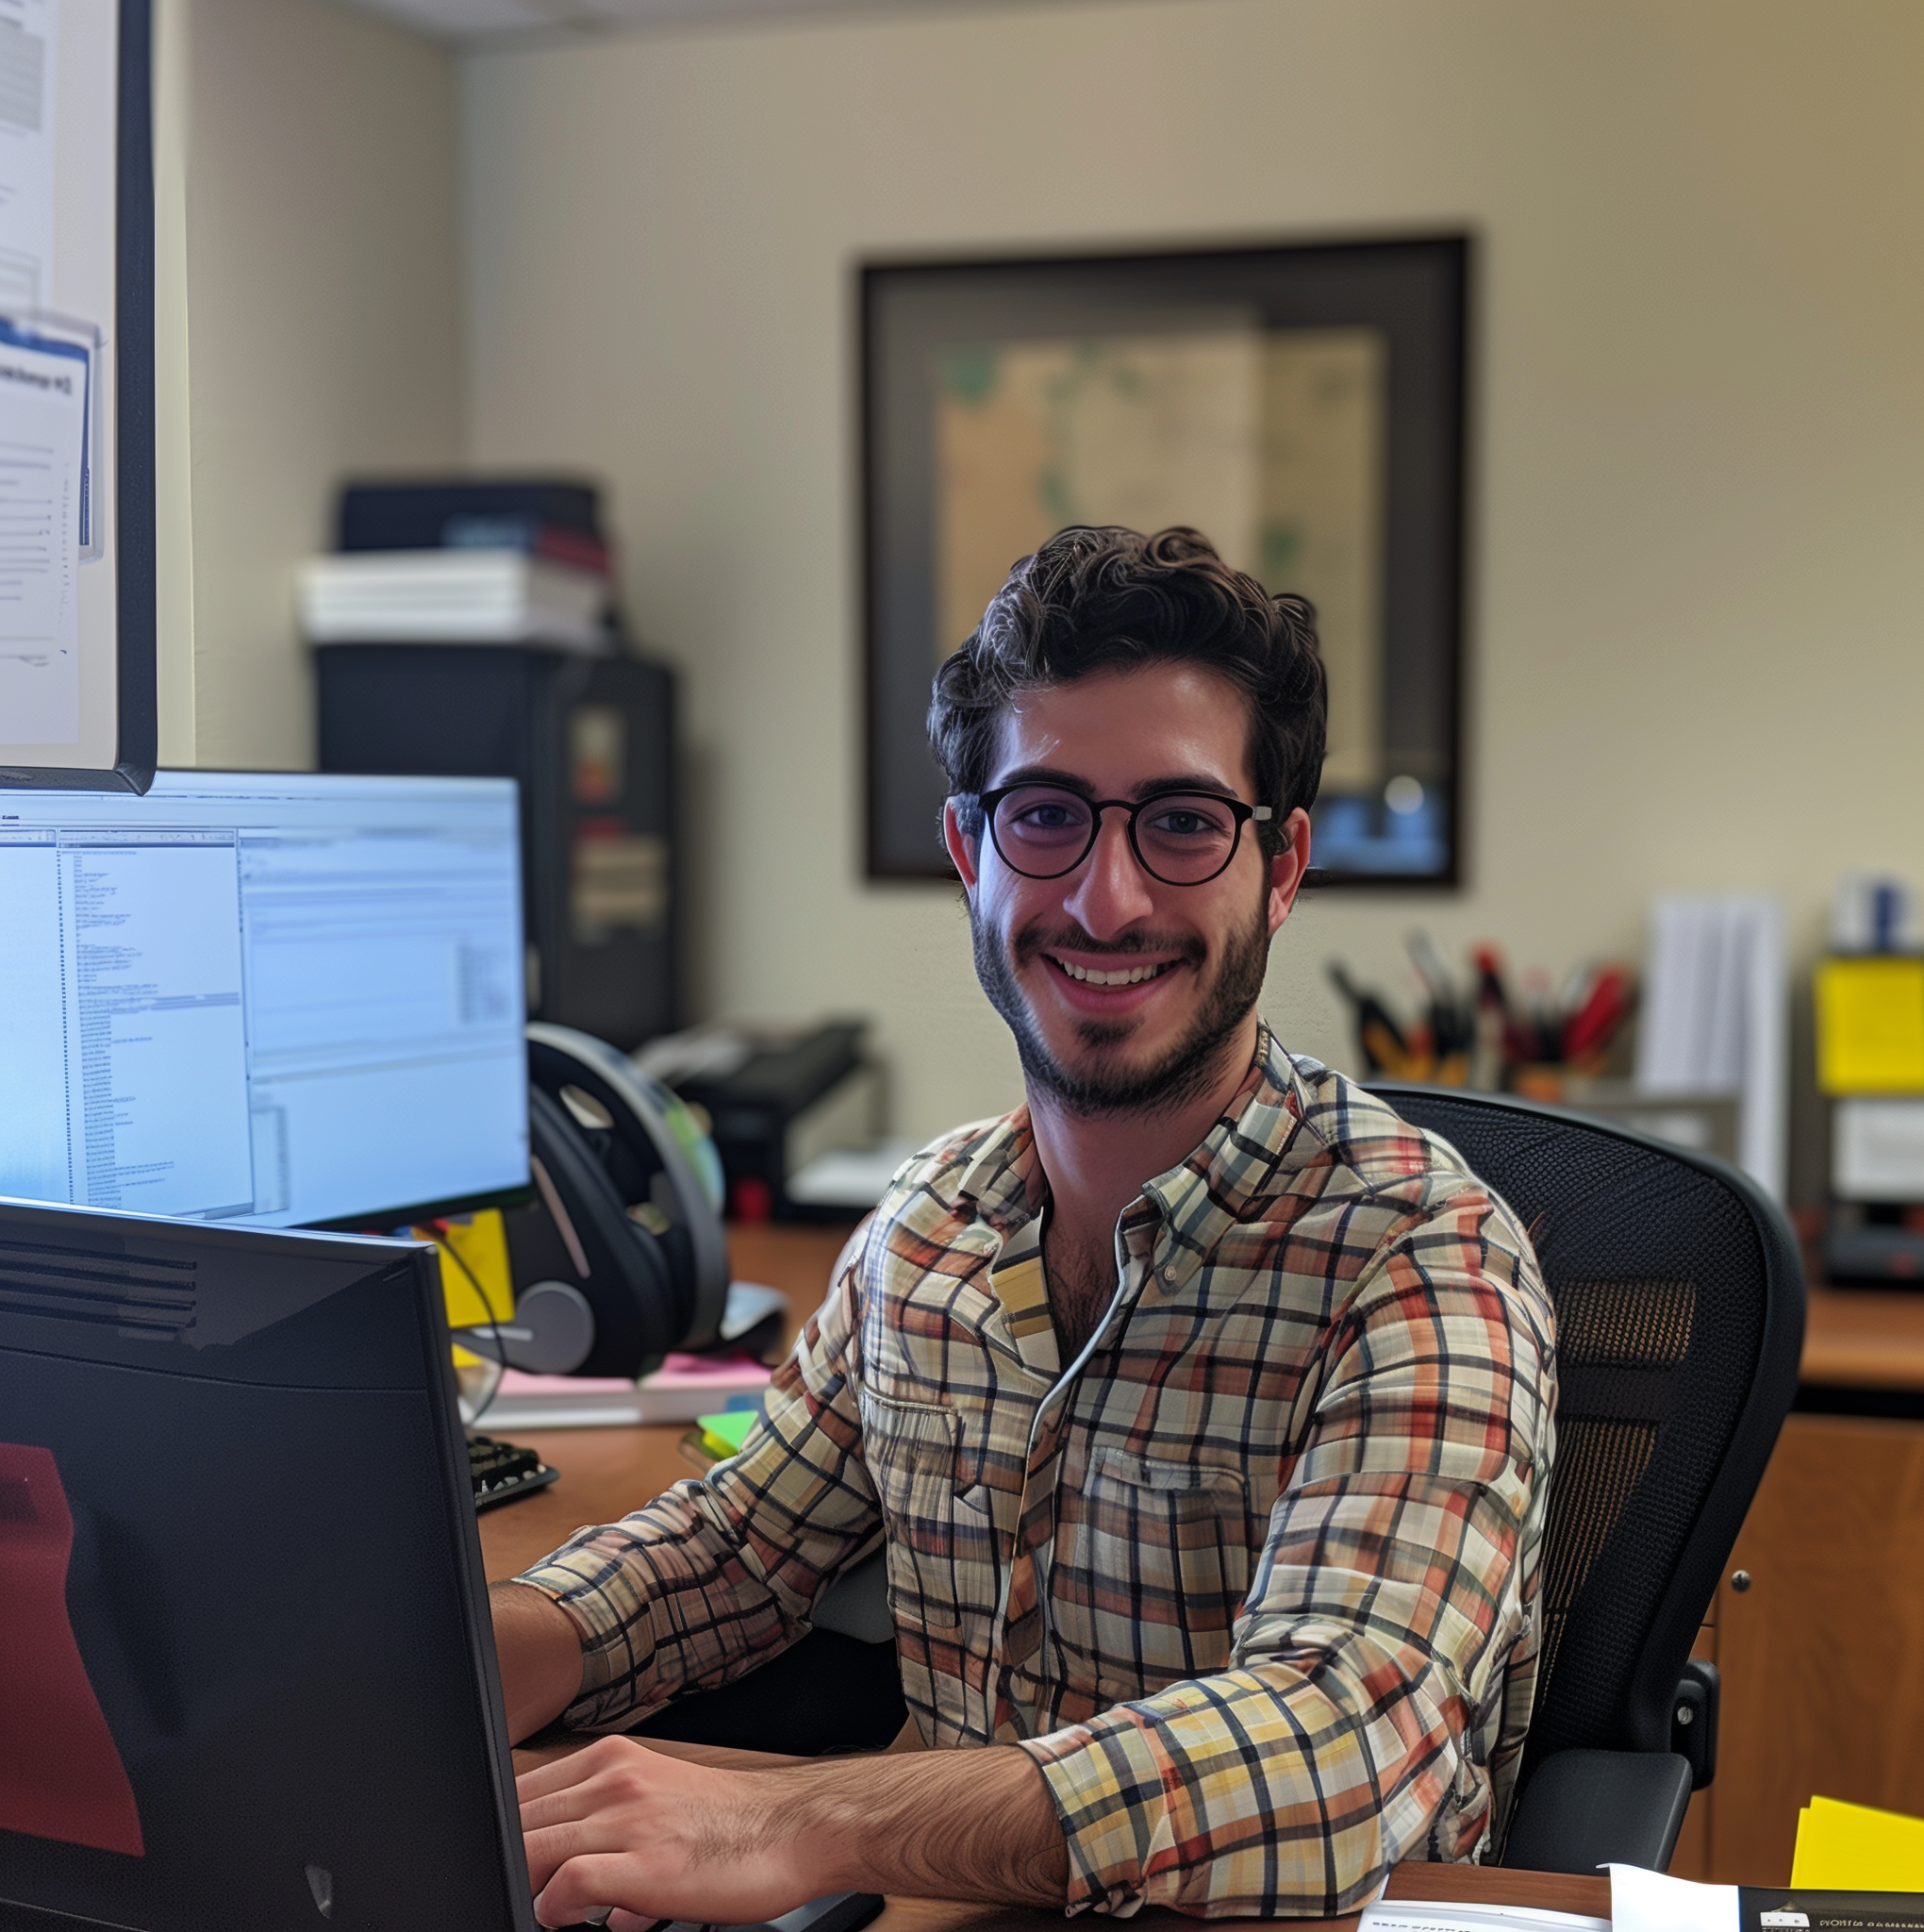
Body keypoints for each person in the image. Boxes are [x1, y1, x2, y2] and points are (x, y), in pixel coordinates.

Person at [495, 525, 1557, 1929]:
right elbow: (737, 1554)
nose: (1105, 899)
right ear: (967, 850)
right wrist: (455, 1661)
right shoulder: (925, 1229)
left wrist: (803, 1819)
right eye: (1046, 814)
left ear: (1282, 865)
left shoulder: (1423, 1257)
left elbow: (1338, 1751)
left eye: (1181, 823)